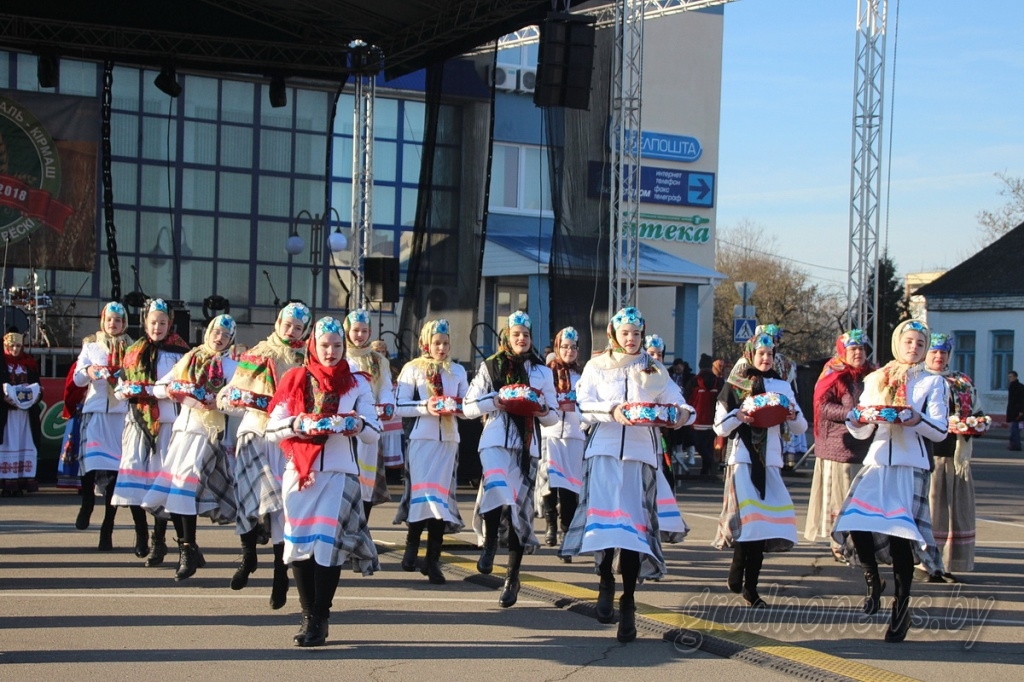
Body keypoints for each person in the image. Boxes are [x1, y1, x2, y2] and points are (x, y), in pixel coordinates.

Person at [560, 307, 694, 643]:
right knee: (607, 530)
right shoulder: (596, 366)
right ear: (613, 334)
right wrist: (613, 410)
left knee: (632, 533)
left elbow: (681, 405)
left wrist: (679, 414)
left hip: (640, 457)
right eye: (626, 333)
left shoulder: (653, 368)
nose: (631, 338)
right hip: (603, 452)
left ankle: (629, 601)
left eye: (637, 333)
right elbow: (581, 405)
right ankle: (605, 581)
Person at [265, 316, 382, 647]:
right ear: (312, 346)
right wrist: (301, 423)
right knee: (300, 545)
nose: (330, 352)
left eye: (337, 346)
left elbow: (373, 432)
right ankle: (306, 614)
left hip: (339, 473)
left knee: (328, 547)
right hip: (300, 473)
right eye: (324, 345)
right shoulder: (295, 378)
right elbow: (272, 429)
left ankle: (320, 616)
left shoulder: (357, 382)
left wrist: (354, 424)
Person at [832, 319, 948, 643]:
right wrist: (855, 419)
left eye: (920, 344)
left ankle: (901, 607)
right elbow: (863, 428)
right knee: (856, 518)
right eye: (909, 342)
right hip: (878, 460)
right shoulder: (876, 378)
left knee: (900, 538)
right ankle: (873, 579)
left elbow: (940, 429)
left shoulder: (933, 383)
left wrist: (916, 418)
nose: (914, 348)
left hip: (912, 465)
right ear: (899, 343)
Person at [463, 310, 559, 608]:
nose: (521, 339)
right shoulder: (490, 367)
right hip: (494, 439)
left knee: (519, 510)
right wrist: (497, 400)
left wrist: (540, 408)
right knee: (495, 489)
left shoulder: (542, 372)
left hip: (526, 446)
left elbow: (553, 416)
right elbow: (468, 408)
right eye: (516, 334)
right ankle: (490, 542)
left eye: (526, 335)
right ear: (506, 336)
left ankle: (512, 576)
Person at [219, 302, 311, 608]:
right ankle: (248, 558)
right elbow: (231, 395)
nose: (291, 331)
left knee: (282, 507)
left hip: (284, 438)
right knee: (249, 495)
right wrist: (240, 399)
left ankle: (280, 575)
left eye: (298, 327)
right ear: (278, 322)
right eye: (287, 324)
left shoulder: (306, 359)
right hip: (255, 433)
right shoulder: (260, 352)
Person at [141, 315, 239, 581]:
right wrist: (172, 390)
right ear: (207, 332)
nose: (219, 338)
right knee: (178, 491)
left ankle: (188, 550)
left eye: (225, 336)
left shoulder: (232, 366)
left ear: (231, 340)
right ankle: (188, 548)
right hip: (183, 432)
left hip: (210, 435)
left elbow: (238, 402)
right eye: (216, 332)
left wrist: (217, 402)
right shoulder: (189, 358)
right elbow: (159, 386)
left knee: (184, 489)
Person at [713, 331, 805, 608]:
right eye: (761, 353)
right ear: (751, 354)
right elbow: (719, 426)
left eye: (770, 354)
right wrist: (738, 415)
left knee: (763, 526)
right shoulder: (735, 383)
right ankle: (739, 568)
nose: (766, 358)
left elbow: (801, 427)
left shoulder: (782, 386)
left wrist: (792, 415)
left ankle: (751, 585)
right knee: (750, 522)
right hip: (742, 459)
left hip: (771, 462)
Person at [111, 299, 189, 564]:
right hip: (137, 421)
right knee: (133, 477)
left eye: (163, 323)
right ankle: (141, 531)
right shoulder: (133, 350)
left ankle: (159, 541)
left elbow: (183, 388)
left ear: (170, 324)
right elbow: (120, 386)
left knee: (161, 483)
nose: (158, 327)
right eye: (153, 322)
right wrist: (125, 391)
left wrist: (158, 392)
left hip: (167, 424)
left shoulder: (180, 352)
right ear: (145, 323)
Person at [393, 319, 469, 584]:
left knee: (441, 501)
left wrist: (456, 406)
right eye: (437, 343)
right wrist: (427, 406)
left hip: (448, 440)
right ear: (426, 342)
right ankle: (412, 544)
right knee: (422, 495)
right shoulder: (412, 369)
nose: (442, 348)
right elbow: (399, 406)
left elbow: (467, 406)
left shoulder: (457, 371)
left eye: (446, 343)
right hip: (422, 438)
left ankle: (433, 559)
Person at [804, 329, 872, 562]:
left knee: (861, 500)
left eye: (861, 348)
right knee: (840, 498)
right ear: (843, 351)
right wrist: (850, 413)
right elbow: (822, 407)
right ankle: (838, 544)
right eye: (853, 349)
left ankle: (859, 544)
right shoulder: (833, 374)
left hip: (866, 447)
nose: (858, 353)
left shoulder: (872, 374)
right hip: (838, 447)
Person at [73, 302, 132, 548]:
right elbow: (77, 380)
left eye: (118, 320)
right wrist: (89, 370)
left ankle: (107, 527)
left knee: (114, 475)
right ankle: (87, 501)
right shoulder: (91, 345)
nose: (113, 324)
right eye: (109, 319)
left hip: (120, 415)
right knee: (89, 465)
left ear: (124, 323)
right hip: (96, 411)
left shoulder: (132, 347)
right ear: (103, 320)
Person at [925, 333, 979, 577]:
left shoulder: (960, 381)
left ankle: (948, 563)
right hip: (928, 456)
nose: (938, 356)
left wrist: (975, 424)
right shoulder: (917, 379)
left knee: (956, 513)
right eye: (934, 351)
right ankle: (923, 563)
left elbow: (977, 411)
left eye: (943, 352)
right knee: (931, 510)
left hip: (957, 458)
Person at [343, 309, 396, 523]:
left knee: (366, 480)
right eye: (355, 330)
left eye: (365, 331)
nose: (360, 335)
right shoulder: (340, 355)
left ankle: (361, 528)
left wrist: (387, 405)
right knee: (345, 479)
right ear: (347, 331)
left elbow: (384, 387)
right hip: (344, 426)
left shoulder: (378, 360)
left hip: (369, 425)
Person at [537, 327, 585, 557]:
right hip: (550, 433)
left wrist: (576, 408)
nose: (569, 351)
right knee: (549, 481)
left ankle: (568, 532)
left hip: (574, 435)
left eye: (573, 347)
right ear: (557, 348)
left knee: (569, 487)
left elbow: (587, 405)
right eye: (565, 347)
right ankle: (550, 525)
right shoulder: (546, 373)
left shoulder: (582, 376)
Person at [0, 332, 43, 496]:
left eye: (18, 346)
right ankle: (6, 484)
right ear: (5, 346)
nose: (15, 349)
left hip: (25, 415)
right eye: (11, 346)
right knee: (7, 444)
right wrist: (3, 399)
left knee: (24, 444)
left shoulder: (29, 363)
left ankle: (19, 483)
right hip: (7, 414)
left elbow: (37, 385)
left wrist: (36, 395)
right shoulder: (2, 364)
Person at [686, 353, 723, 479]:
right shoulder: (718, 381)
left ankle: (709, 464)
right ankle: (706, 470)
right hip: (714, 418)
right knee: (709, 445)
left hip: (698, 419)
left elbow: (687, 398)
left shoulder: (695, 380)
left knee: (700, 445)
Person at [371, 338, 404, 470]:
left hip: (388, 407)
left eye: (383, 351)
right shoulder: (366, 364)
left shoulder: (392, 367)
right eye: (377, 351)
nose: (380, 353)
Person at [1007, 371, 1023, 451]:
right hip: (1013, 410)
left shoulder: (1019, 387)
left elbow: (1021, 400)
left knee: (1015, 428)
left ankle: (1016, 445)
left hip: (1017, 411)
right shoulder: (1012, 386)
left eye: (1011, 377)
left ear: (1015, 377)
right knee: (1014, 428)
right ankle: (1013, 444)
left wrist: (1021, 411)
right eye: (1009, 377)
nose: (1009, 378)